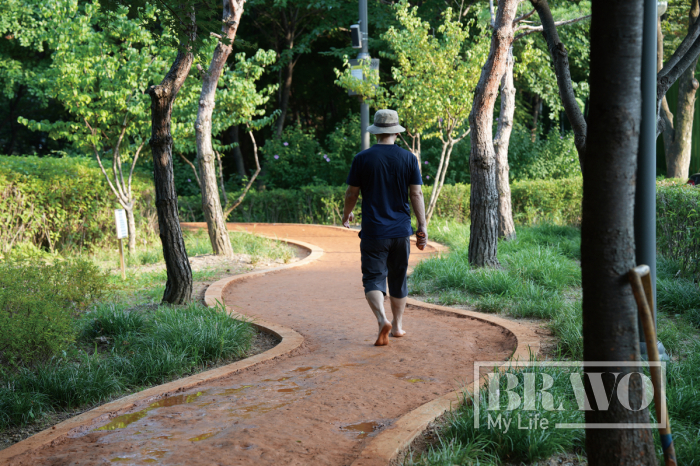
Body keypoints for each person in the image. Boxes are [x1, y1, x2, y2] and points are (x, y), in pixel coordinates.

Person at [341, 109, 428, 346]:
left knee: (373, 278)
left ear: (376, 131)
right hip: (400, 231)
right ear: (396, 133)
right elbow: (416, 193)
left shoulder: (362, 158)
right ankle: (398, 326)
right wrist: (422, 224)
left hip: (374, 231)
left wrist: (346, 214)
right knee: (399, 278)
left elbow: (352, 193)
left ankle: (382, 319)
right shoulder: (409, 159)